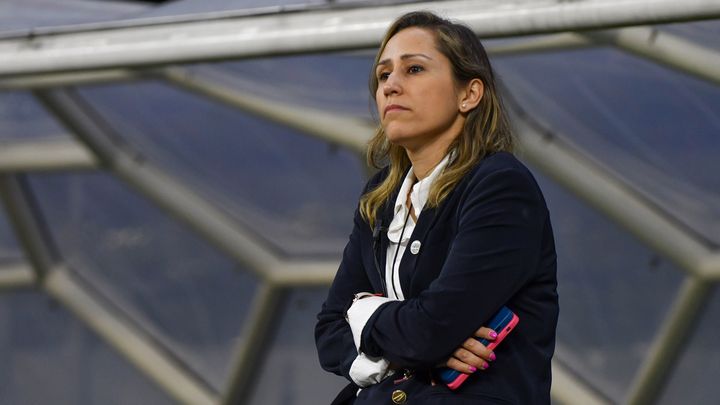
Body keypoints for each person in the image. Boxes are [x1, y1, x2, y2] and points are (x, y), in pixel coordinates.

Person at [315, 11, 558, 405]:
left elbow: (428, 331)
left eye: (414, 69)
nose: (391, 86)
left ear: (469, 94)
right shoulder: (380, 196)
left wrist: (363, 312)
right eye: (383, 75)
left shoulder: (499, 186)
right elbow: (328, 331)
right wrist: (396, 355)